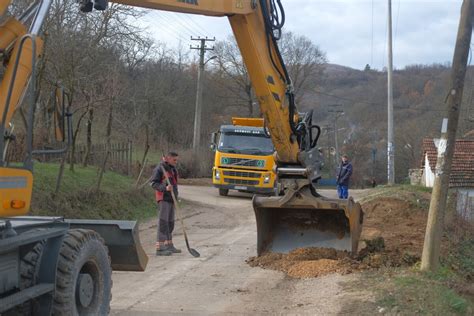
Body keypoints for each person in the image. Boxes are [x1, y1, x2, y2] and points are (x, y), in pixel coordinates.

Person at [151, 152, 181, 256]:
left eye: (176, 160)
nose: (176, 162)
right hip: (163, 198)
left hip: (171, 199)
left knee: (170, 222)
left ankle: (169, 244)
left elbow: (174, 185)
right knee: (163, 222)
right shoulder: (160, 168)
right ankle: (160, 247)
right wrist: (165, 188)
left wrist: (177, 197)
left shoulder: (172, 169)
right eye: (174, 160)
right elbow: (153, 183)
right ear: (168, 158)